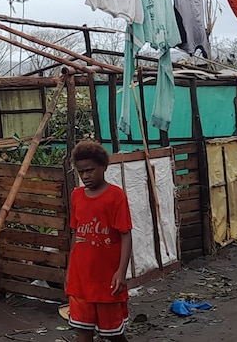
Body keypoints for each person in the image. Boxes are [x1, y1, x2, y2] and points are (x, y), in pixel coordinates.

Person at [66, 140, 133, 342]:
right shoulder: (76, 195)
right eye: (81, 172)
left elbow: (126, 235)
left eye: (90, 170)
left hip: (107, 279)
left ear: (103, 167)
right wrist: (69, 270)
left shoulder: (116, 197)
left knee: (113, 334)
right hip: (80, 278)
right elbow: (76, 234)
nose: (85, 176)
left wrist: (121, 272)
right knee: (83, 331)